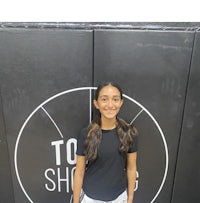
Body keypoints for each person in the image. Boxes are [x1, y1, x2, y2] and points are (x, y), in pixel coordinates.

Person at [73, 82, 138, 203]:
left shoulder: (130, 133)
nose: (110, 105)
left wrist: (130, 198)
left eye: (115, 99)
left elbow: (131, 168)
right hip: (90, 198)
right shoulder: (85, 134)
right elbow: (79, 171)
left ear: (121, 103)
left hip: (119, 197)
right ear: (96, 103)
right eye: (104, 99)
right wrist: (76, 201)